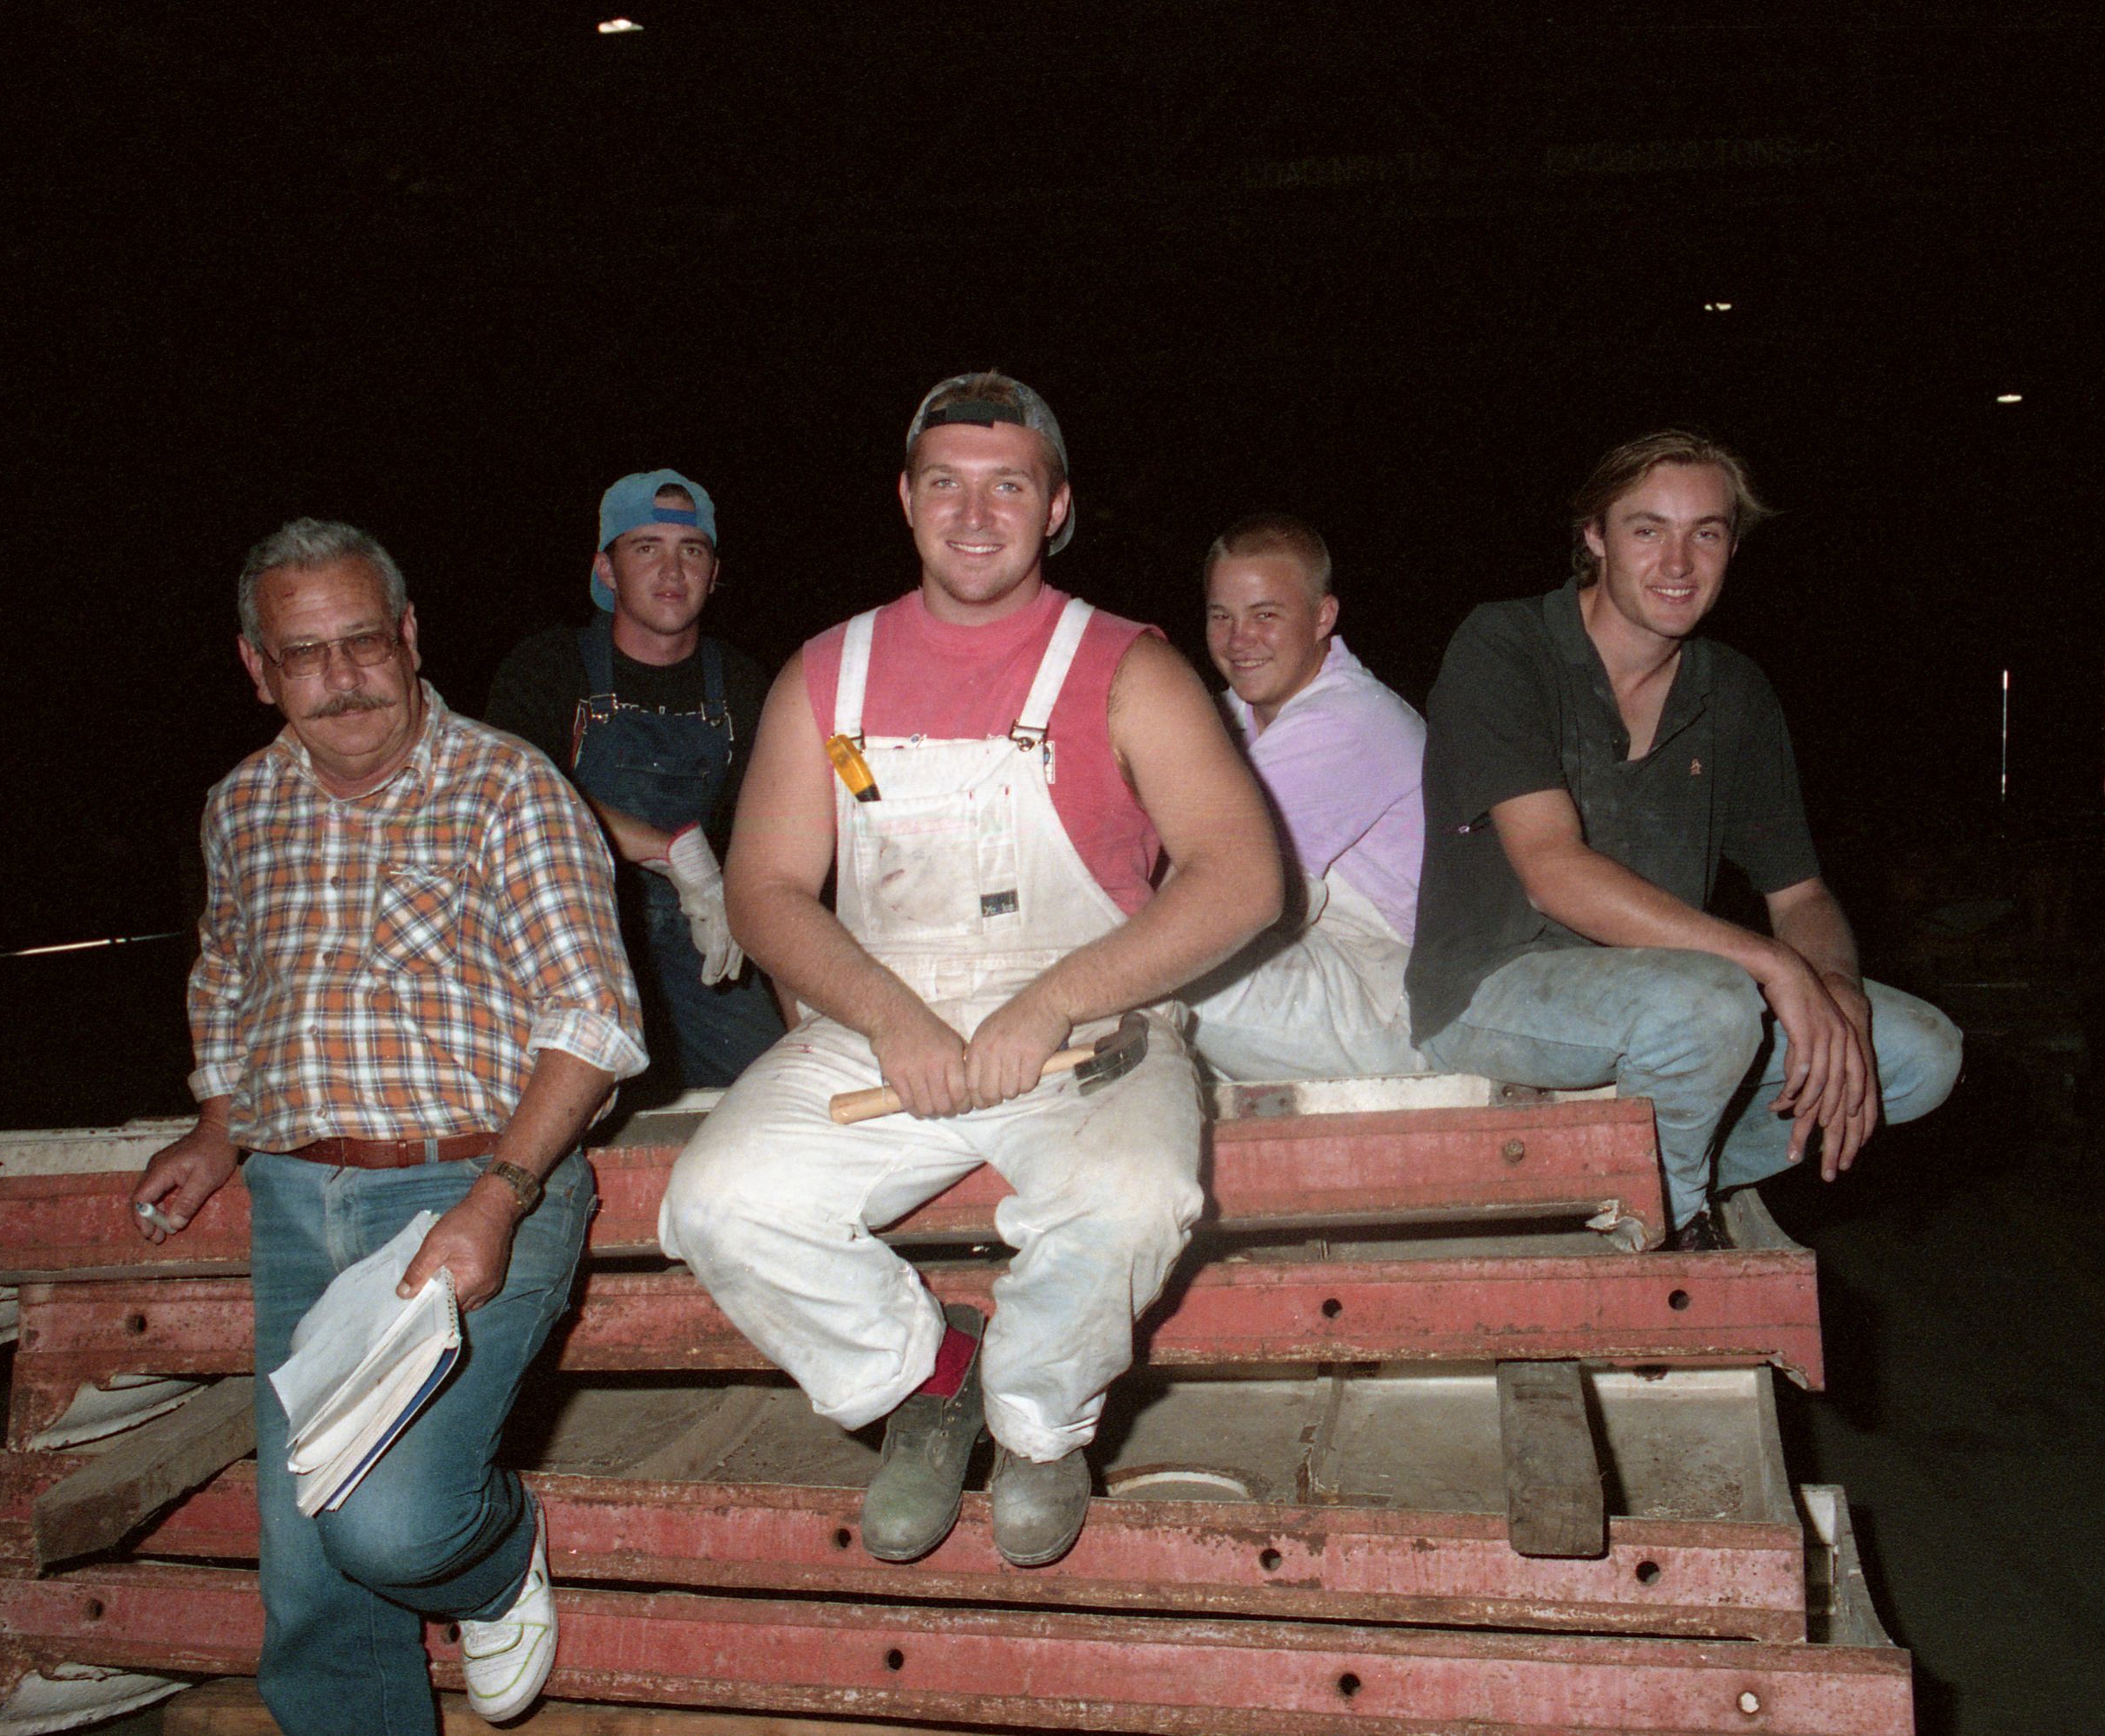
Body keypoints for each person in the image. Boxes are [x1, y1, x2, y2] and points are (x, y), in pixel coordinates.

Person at [658, 372, 1279, 1569]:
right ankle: (927, 1375)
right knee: (717, 1201)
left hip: (1091, 1019)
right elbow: (766, 888)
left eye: (1009, 485)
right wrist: (887, 1015)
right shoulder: (826, 673)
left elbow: (1243, 874)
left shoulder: (1128, 665)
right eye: (946, 483)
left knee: (1133, 1196)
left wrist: (1052, 998)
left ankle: (1041, 1421)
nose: (976, 513)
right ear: (905, 499)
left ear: (1055, 507)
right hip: (888, 1018)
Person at [129, 519, 647, 1734]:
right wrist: (219, 1125)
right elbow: (227, 982)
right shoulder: (241, 805)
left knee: (393, 1526)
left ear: (410, 639)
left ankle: (495, 1550)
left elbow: (595, 1018)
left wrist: (496, 1197)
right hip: (297, 1207)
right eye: (304, 652)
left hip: (475, 1180)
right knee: (310, 1580)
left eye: (365, 639)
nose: (342, 674)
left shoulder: (508, 783)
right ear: (258, 667)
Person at [1409, 432, 1960, 1248]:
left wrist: (1834, 985)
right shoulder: (1505, 646)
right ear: (1594, 538)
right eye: (1647, 529)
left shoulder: (1732, 691)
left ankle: (1637, 1174)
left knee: (1918, 1052)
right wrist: (1774, 964)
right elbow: (1553, 873)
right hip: (1497, 983)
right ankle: (1662, 1225)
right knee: (1709, 1003)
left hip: (1674, 996)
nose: (1678, 561)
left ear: (1731, 547)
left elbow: (1800, 893)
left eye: (1705, 532)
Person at [486, 471, 784, 1094]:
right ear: (606, 569)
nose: (672, 573)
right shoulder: (548, 667)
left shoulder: (741, 684)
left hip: (702, 939)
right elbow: (519, 799)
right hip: (564, 936)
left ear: (714, 570)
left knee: (774, 1091)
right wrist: (672, 850)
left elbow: (771, 835)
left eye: (691, 551)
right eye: (646, 548)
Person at [1182, 512, 1426, 1080]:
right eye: (1222, 616)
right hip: (1317, 957)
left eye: (1265, 615)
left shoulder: (1347, 721)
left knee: (1174, 967)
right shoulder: (1228, 717)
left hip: (1395, 988)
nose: (1239, 641)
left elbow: (1213, 882)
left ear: (1323, 617)